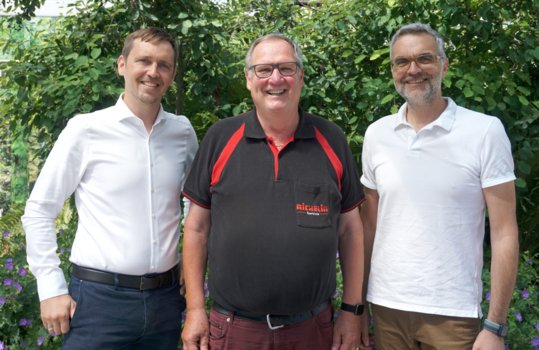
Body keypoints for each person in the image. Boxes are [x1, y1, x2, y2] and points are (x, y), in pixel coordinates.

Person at [181, 33, 368, 350]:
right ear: (248, 78)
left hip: (312, 329)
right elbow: (197, 228)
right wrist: (196, 309)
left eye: (286, 68)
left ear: (301, 76)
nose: (276, 79)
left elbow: (351, 231)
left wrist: (352, 311)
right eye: (264, 69)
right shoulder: (220, 138)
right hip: (234, 330)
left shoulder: (331, 139)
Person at [22, 27, 198, 349]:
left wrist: (189, 261)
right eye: (143, 60)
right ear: (122, 65)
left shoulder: (182, 133)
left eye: (164, 65)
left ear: (172, 73)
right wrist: (51, 288)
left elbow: (196, 204)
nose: (153, 72)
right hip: (98, 304)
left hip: (165, 303)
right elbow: (38, 211)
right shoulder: (86, 130)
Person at [360, 22, 519, 349]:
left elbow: (504, 232)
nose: (413, 69)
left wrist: (495, 326)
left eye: (424, 59)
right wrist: (358, 305)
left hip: (452, 314)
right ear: (392, 70)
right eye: (401, 62)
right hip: (387, 308)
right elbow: (368, 227)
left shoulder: (484, 132)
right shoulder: (377, 134)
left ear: (444, 65)